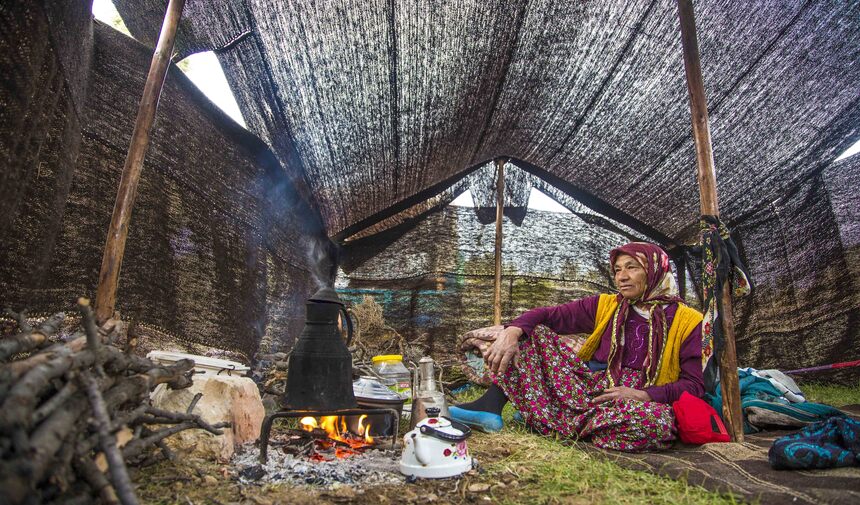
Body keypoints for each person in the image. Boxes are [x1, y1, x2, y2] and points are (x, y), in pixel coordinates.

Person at [449, 242, 704, 451]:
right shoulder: (607, 305)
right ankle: (490, 407)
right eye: (617, 270)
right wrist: (513, 331)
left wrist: (644, 395)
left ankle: (545, 418)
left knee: (657, 425)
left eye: (632, 268)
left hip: (638, 400)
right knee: (532, 333)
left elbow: (694, 385)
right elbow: (549, 315)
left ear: (655, 270)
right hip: (591, 387)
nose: (621, 277)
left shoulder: (688, 320)